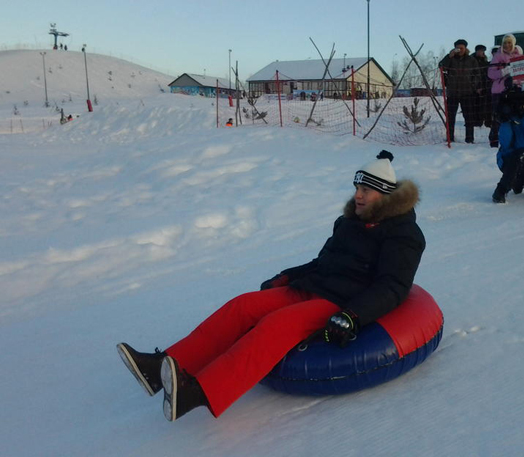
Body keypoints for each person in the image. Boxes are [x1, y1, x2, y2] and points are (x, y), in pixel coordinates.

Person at [117, 151, 426, 420]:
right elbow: (323, 262)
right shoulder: (349, 223)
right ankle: (159, 367)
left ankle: (196, 393)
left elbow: (393, 285)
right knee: (242, 306)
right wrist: (287, 276)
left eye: (366, 190)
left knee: (275, 326)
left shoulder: (403, 234)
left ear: (385, 195)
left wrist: (352, 315)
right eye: (357, 187)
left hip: (342, 301)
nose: (358, 195)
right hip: (313, 286)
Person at [439, 39, 481, 143]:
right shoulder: (451, 59)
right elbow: (441, 66)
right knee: (450, 117)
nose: (460, 50)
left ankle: (469, 139)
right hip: (452, 92)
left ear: (465, 48)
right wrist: (449, 56)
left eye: (462, 48)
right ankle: (450, 138)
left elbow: (477, 74)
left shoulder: (471, 60)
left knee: (469, 117)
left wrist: (473, 85)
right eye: (458, 48)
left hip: (467, 92)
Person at [488, 34, 524, 147]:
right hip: (499, 90)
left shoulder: (519, 57)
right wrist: (503, 72)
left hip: (514, 89)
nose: (507, 45)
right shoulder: (498, 56)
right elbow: (490, 74)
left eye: (509, 43)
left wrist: (518, 80)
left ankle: (513, 140)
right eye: (505, 43)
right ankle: (494, 140)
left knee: (514, 116)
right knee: (497, 116)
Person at [472, 44, 493, 128]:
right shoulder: (472, 61)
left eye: (482, 51)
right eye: (479, 51)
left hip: (484, 85)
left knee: (484, 104)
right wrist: (476, 87)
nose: (481, 52)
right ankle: (477, 121)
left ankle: (485, 120)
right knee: (475, 104)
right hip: (475, 86)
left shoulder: (485, 61)